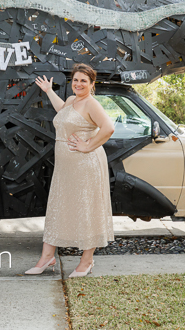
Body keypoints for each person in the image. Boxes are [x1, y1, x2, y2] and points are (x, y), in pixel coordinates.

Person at [27, 63, 115, 277]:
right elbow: (63, 112)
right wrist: (49, 92)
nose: (78, 84)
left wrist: (88, 145)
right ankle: (47, 258)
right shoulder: (71, 101)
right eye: (75, 80)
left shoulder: (91, 104)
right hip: (66, 168)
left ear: (92, 84)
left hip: (86, 165)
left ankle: (86, 261)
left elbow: (109, 127)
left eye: (83, 80)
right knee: (59, 207)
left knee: (87, 209)